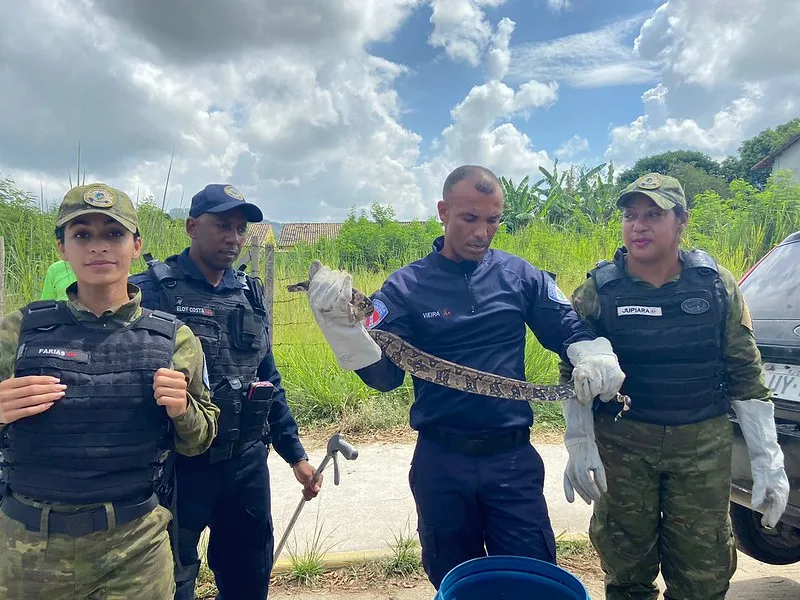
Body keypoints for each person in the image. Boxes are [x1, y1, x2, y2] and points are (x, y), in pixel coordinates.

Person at [303, 164, 626, 589]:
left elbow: (564, 328)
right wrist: (344, 331)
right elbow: (385, 377)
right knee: (454, 578)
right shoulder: (405, 288)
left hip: (510, 459)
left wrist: (591, 352)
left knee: (530, 577)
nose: (481, 232)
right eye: (469, 218)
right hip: (442, 462)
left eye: (492, 220)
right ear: (443, 211)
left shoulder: (520, 276)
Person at [559, 173, 790, 600]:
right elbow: (570, 372)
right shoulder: (598, 290)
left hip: (701, 445)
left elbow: (745, 371)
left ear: (681, 221)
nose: (638, 225)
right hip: (624, 444)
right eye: (630, 215)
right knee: (626, 568)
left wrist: (767, 457)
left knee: (703, 574)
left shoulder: (716, 285)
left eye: (653, 214)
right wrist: (580, 439)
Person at [0, 183, 219, 599]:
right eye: (82, 234)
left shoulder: (174, 338)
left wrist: (182, 410)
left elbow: (201, 441)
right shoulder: (19, 330)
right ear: (62, 248)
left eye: (114, 234)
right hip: (28, 548)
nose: (98, 246)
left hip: (134, 546)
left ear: (136, 246)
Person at [130, 183, 322, 600]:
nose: (233, 238)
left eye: (240, 229)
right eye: (222, 226)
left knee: (248, 578)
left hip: (245, 464)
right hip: (175, 470)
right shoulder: (147, 292)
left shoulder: (249, 295)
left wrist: (297, 456)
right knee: (170, 582)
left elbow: (268, 381)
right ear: (192, 227)